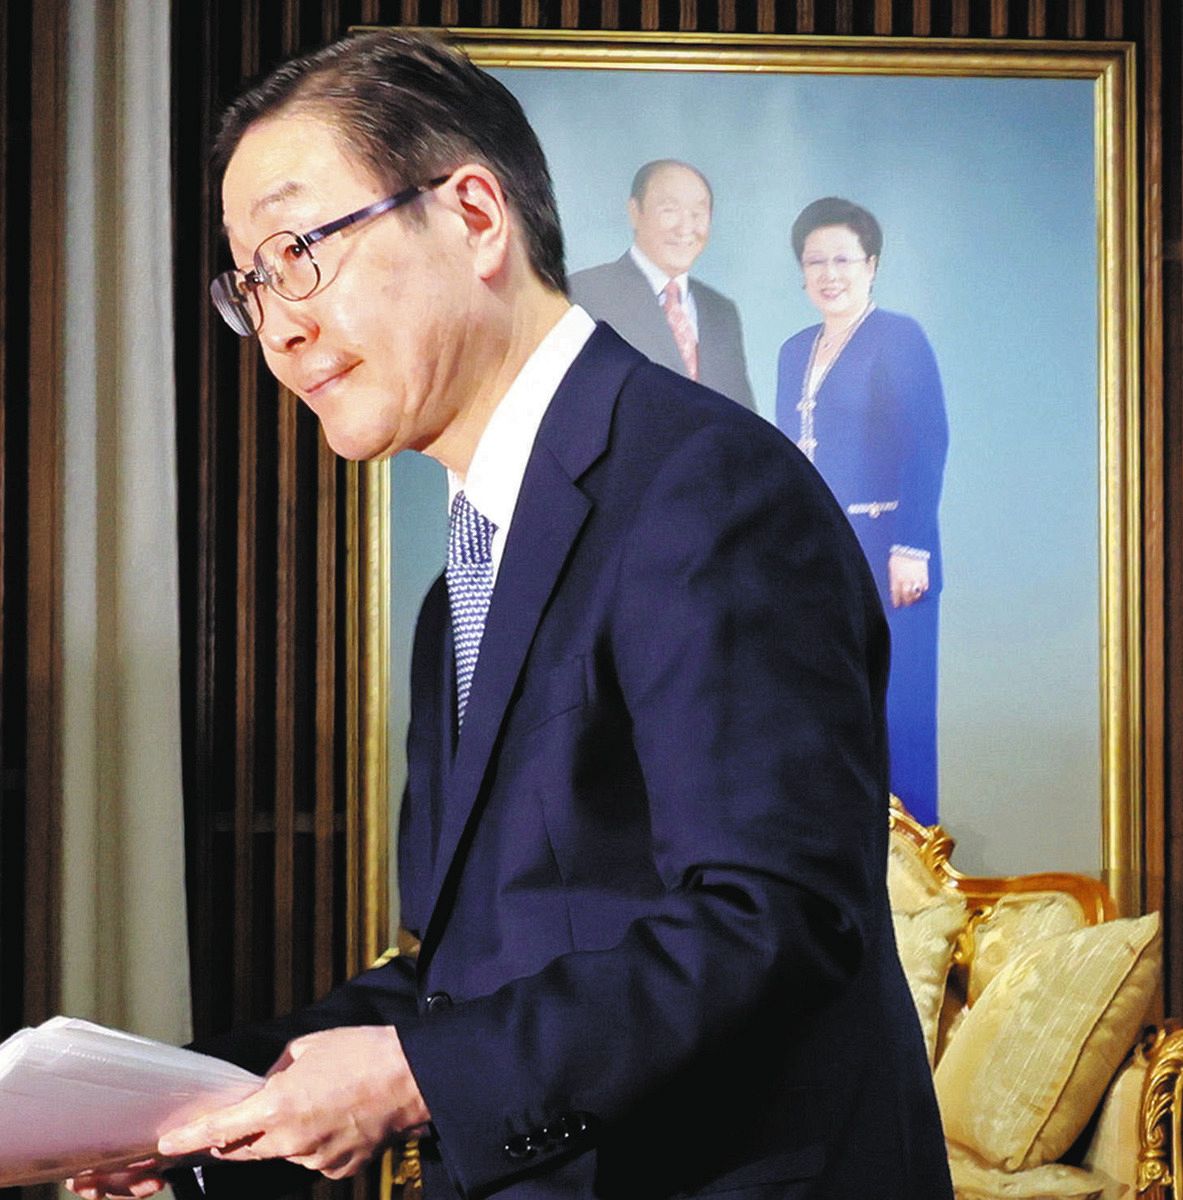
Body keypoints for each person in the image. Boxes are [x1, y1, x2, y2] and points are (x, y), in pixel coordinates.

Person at [69, 32, 952, 1200]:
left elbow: (773, 918)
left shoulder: (704, 486)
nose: (276, 327)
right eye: (250, 283)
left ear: (475, 214)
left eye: (297, 252)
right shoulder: (464, 587)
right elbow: (473, 977)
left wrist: (415, 1079)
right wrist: (181, 1124)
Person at [775, 197, 949, 826]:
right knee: (829, 708)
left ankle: (914, 884)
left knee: (895, 712)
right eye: (815, 260)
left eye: (843, 259)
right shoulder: (795, 349)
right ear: (801, 271)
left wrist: (912, 548)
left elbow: (927, 443)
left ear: (871, 264)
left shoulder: (898, 337)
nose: (830, 273)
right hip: (819, 556)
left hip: (888, 554)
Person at [568, 160, 756, 408]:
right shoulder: (583, 293)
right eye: (669, 210)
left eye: (698, 213)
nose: (686, 227)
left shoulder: (722, 311)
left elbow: (744, 416)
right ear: (635, 212)